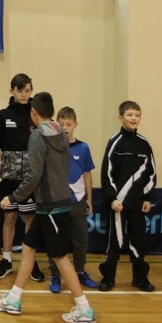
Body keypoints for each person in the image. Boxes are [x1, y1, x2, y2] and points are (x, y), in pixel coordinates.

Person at [0, 92, 96, 323]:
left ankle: (84, 309)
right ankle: (14, 299)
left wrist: (13, 197)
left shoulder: (37, 136)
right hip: (52, 204)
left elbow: (33, 175)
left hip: (51, 208)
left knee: (60, 257)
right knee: (28, 247)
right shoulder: (61, 133)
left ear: (33, 112)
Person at [0, 73, 45, 282]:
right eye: (20, 90)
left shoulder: (36, 115)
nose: (24, 94)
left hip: (31, 179)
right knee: (9, 218)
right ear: (12, 90)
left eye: (27, 90)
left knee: (30, 219)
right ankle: (6, 260)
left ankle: (30, 261)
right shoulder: (3, 116)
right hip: (9, 178)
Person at [98, 101, 157, 292]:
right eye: (130, 114)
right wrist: (112, 198)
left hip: (137, 204)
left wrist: (147, 197)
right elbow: (106, 173)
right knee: (115, 242)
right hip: (118, 204)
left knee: (138, 241)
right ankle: (108, 277)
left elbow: (151, 173)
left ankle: (140, 278)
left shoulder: (144, 143)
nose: (134, 118)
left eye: (137, 115)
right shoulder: (114, 142)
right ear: (120, 118)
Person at [47, 106, 98, 293]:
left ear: (76, 124)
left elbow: (87, 174)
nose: (65, 127)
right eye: (61, 124)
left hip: (78, 201)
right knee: (56, 239)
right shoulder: (51, 147)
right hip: (56, 202)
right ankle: (55, 275)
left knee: (80, 239)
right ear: (56, 125)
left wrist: (89, 199)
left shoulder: (83, 148)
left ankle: (80, 271)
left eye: (69, 124)